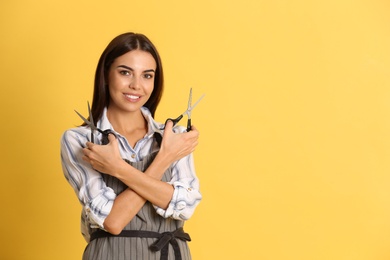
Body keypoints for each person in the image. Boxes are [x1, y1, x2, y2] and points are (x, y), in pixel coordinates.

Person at [60, 32, 202, 260]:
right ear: (106, 74)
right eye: (125, 72)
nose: (136, 85)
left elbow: (184, 206)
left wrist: (118, 169)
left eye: (147, 75)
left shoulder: (174, 137)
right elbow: (113, 221)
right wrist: (165, 158)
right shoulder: (79, 140)